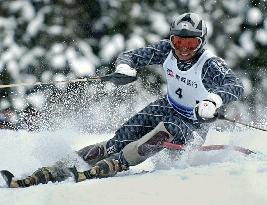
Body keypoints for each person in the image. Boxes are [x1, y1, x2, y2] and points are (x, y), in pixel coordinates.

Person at [1, 13, 244, 188]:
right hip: (168, 106)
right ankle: (61, 166)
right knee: (124, 135)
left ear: (201, 42)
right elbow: (134, 55)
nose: (183, 49)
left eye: (191, 43)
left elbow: (234, 85)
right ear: (171, 40)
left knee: (165, 130)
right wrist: (126, 67)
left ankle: (117, 163)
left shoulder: (210, 64)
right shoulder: (166, 50)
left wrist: (212, 102)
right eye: (178, 41)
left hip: (192, 124)